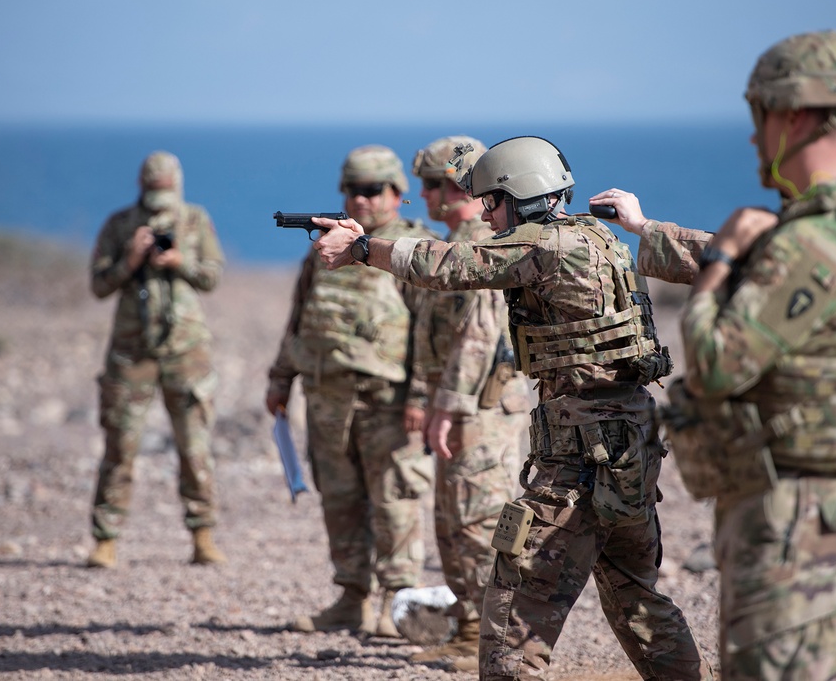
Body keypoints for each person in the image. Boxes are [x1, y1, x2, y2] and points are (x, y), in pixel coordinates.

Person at [311, 136, 712, 679]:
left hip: (580, 456)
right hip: (630, 445)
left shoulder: (543, 246)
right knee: (636, 598)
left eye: (492, 203)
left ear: (519, 197)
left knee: (513, 608)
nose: (487, 215)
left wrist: (363, 250)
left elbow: (447, 265)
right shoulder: (599, 237)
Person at [592, 30, 836, 680]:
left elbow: (716, 357)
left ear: (793, 116)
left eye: (760, 118)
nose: (755, 140)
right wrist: (654, 232)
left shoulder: (822, 240)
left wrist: (722, 260)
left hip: (799, 518)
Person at [265, 145, 436, 637]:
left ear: (397, 193)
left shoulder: (412, 249)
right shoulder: (325, 247)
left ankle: (397, 603)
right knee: (338, 498)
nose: (361, 200)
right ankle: (351, 598)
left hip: (388, 403)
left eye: (372, 190)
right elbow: (300, 315)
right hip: (327, 399)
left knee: (393, 500)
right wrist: (281, 378)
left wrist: (422, 396)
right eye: (352, 190)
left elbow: (431, 329)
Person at [403, 136, 529, 671]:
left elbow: (480, 335)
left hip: (481, 410)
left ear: (457, 188)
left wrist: (448, 406)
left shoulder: (483, 245)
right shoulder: (457, 243)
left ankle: (497, 642)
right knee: (454, 521)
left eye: (432, 185)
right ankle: (471, 627)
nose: (425, 197)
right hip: (461, 407)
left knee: (479, 522)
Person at [87, 150, 227, 569]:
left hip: (186, 351)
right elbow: (98, 285)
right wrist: (129, 261)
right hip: (131, 353)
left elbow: (213, 276)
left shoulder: (195, 221)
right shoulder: (119, 225)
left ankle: (203, 535)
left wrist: (181, 261)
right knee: (120, 447)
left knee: (194, 448)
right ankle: (105, 539)